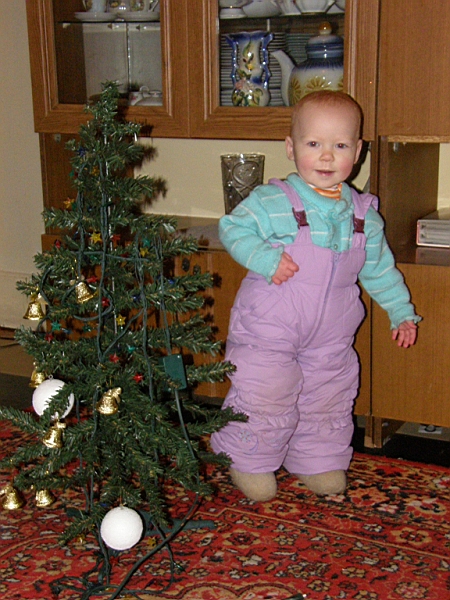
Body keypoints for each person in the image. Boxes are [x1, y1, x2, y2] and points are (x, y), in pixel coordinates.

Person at [210, 90, 420, 502]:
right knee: (267, 391)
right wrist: (266, 259)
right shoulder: (274, 200)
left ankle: (316, 459)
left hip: (331, 333)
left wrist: (401, 312)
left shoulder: (363, 216)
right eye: (313, 144)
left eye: (340, 146)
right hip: (270, 326)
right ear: (291, 148)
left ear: (357, 151)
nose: (326, 156)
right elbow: (233, 228)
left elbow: (379, 270)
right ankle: (249, 459)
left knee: (329, 393)